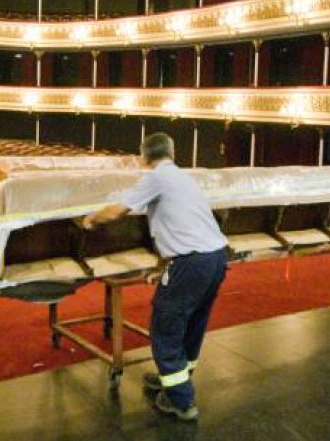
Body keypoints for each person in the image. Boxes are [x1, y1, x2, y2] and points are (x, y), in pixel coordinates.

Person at [81, 133, 227, 422]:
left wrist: (89, 220)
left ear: (143, 156)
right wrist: (164, 266)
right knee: (191, 325)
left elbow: (116, 212)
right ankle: (176, 378)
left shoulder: (156, 177)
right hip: (216, 258)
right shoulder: (183, 178)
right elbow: (177, 224)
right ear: (172, 153)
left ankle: (181, 402)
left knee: (166, 326)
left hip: (192, 263)